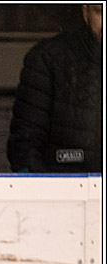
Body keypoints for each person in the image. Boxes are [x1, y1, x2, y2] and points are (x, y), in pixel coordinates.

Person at [7, 4, 103, 173]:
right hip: (64, 186)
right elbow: (24, 147)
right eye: (100, 11)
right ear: (85, 12)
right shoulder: (50, 59)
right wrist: (47, 187)